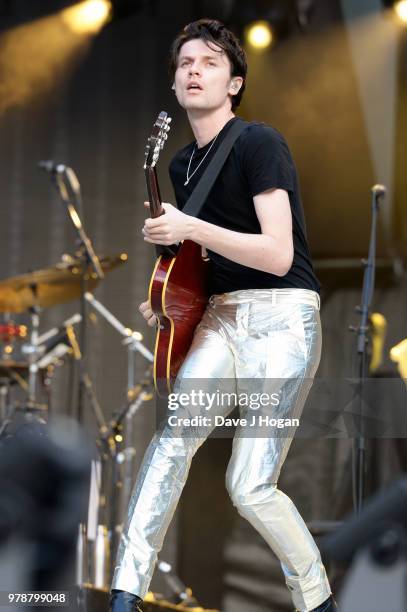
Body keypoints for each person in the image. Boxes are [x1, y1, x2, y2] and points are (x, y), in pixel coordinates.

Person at [110, 18, 336, 612]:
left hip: (283, 317)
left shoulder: (260, 143)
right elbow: (210, 261)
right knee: (169, 445)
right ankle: (125, 592)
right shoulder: (183, 164)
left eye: (208, 62)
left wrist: (189, 226)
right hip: (220, 317)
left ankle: (316, 599)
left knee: (249, 486)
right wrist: (172, 301)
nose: (193, 70)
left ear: (234, 83)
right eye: (185, 62)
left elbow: (276, 252)